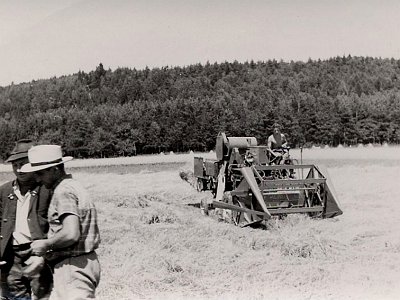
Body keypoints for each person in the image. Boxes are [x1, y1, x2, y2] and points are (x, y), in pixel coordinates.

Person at [20, 145, 100, 300]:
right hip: (85, 262)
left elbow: (71, 234)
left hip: (73, 267)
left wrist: (46, 244)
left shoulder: (63, 192)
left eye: (40, 173)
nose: (37, 179)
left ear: (55, 169)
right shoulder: (74, 186)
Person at [0, 139, 53, 300]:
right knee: (14, 294)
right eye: (15, 165)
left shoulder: (46, 188)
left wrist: (44, 253)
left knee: (41, 294)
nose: (18, 169)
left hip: (37, 252)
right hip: (11, 255)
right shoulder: (5, 191)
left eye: (23, 164)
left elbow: (53, 223)